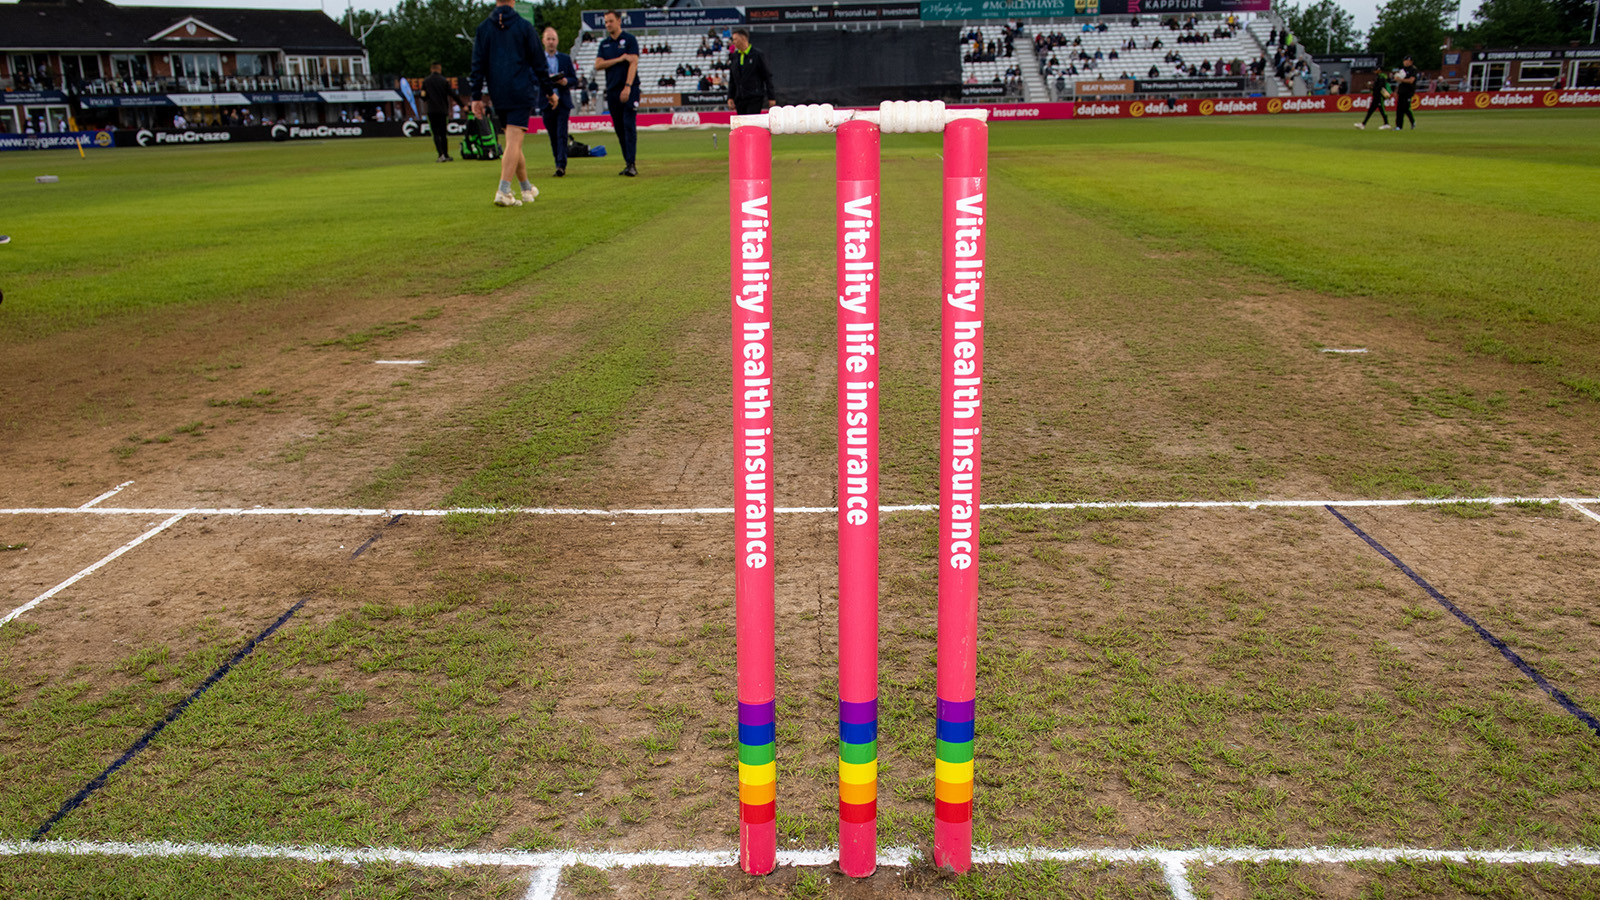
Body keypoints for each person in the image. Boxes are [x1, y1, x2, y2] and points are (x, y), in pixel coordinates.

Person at [469, 0, 560, 207]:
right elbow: (539, 63)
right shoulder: (524, 27)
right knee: (513, 142)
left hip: (498, 92)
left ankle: (526, 188)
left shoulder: (484, 29)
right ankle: (503, 190)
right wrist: (549, 92)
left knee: (513, 141)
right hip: (520, 90)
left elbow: (477, 64)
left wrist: (476, 96)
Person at [595, 9, 640, 177]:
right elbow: (598, 65)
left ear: (619, 21)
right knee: (619, 129)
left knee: (629, 125)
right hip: (612, 90)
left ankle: (632, 163)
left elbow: (633, 63)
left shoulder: (629, 40)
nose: (608, 25)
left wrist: (628, 86)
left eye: (610, 21)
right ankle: (627, 162)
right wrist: (619, 59)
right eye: (606, 22)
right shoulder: (604, 44)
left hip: (629, 89)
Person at [537, 26, 578, 177]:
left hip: (562, 101)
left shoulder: (565, 59)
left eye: (553, 39)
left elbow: (574, 79)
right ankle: (558, 161)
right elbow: (533, 77)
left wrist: (565, 81)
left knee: (562, 134)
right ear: (543, 41)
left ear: (557, 41)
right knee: (553, 135)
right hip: (546, 102)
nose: (551, 42)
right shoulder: (538, 60)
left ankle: (561, 165)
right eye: (548, 39)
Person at [421, 62, 468, 162]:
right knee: (443, 134)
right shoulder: (444, 81)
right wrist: (462, 105)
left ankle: (440, 155)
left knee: (435, 134)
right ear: (439, 69)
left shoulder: (426, 81)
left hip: (431, 110)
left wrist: (428, 98)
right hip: (442, 110)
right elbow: (452, 94)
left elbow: (423, 96)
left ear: (431, 69)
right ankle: (446, 154)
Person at [725, 28, 776, 116]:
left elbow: (767, 76)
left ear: (743, 38)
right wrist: (730, 97)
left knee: (752, 121)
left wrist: (771, 97)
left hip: (754, 97)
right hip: (740, 98)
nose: (733, 42)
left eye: (735, 39)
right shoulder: (734, 57)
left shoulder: (757, 55)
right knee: (742, 123)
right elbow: (732, 80)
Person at [1394, 55, 1418, 131]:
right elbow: (1399, 82)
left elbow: (1411, 80)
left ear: (1411, 62)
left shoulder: (1413, 70)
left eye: (1408, 61)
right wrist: (1396, 91)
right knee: (1399, 109)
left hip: (1408, 91)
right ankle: (1399, 126)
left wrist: (1400, 79)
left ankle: (1412, 121)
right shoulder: (1402, 70)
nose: (1406, 62)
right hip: (1401, 91)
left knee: (1405, 108)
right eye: (1405, 61)